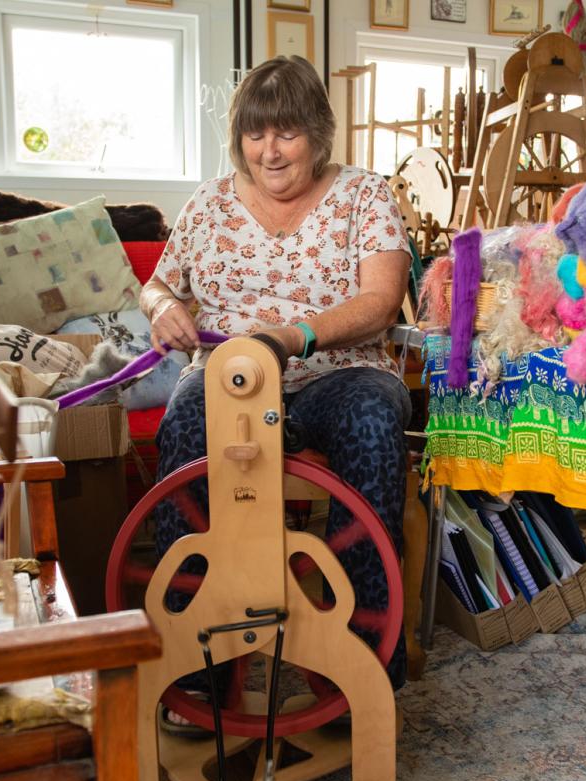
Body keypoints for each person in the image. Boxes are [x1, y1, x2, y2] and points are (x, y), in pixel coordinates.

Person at [140, 56, 412, 699]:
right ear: (239, 139)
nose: (270, 149)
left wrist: (293, 337)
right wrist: (165, 309)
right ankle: (196, 668)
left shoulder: (364, 195)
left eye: (286, 132)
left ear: (318, 134)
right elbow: (156, 286)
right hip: (228, 376)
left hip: (338, 373)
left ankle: (367, 665)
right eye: (256, 133)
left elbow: (381, 299)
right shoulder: (208, 204)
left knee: (373, 424)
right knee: (183, 426)